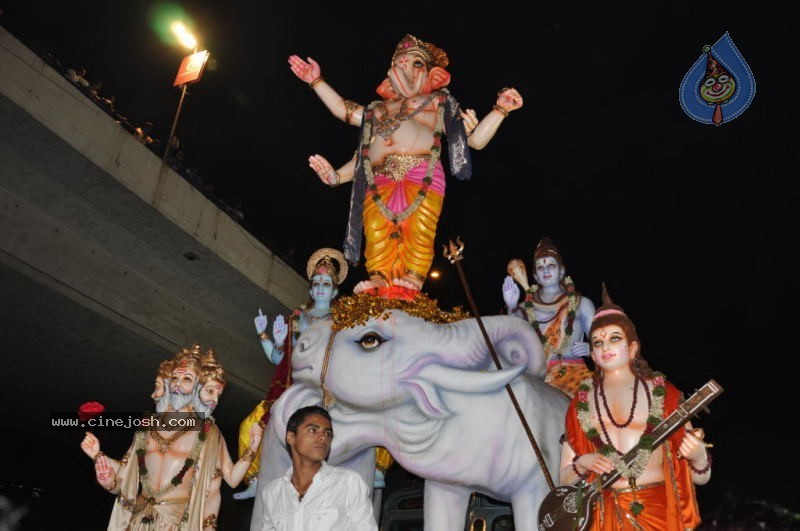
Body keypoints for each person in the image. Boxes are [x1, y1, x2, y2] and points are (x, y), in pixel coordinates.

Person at [289, 34, 523, 293]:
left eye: (417, 63)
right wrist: (316, 82)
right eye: (401, 62)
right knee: (377, 230)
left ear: (432, 75)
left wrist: (500, 110)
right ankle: (378, 276)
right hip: (378, 180)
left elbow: (475, 141)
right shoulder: (377, 111)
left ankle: (413, 276)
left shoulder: (436, 103)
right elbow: (347, 121)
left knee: (418, 229)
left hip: (421, 173)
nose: (407, 68)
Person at [559, 286, 711, 530]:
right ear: (593, 356)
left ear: (632, 347)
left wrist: (699, 456)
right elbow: (563, 480)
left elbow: (700, 477)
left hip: (658, 513)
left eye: (614, 339)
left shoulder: (664, 394)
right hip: (603, 517)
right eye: (597, 343)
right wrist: (581, 463)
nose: (605, 347)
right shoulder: (581, 404)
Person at [81, 345, 263, 530]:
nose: (177, 384)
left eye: (186, 379)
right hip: (138, 522)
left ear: (197, 386)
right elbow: (124, 475)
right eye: (174, 378)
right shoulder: (147, 427)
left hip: (176, 524)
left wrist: (253, 447)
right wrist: (99, 458)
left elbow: (228, 481)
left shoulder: (208, 433)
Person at [236, 248, 349, 499]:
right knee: (250, 424)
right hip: (294, 385)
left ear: (335, 291)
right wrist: (266, 336)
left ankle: (375, 466)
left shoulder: (343, 322)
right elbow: (278, 358)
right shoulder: (296, 318)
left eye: (326, 284)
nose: (320, 288)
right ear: (310, 290)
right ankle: (255, 477)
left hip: (327, 383)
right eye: (316, 283)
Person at [254, 405, 377, 530]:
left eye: (327, 433)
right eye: (313, 430)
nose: (323, 437)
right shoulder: (272, 493)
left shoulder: (348, 483)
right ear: (291, 437)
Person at [502, 237, 596, 397]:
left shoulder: (581, 303)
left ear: (561, 271)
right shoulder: (525, 308)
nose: (545, 270)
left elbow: (602, 338)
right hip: (537, 376)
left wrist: (592, 349)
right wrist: (512, 306)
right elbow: (513, 337)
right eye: (540, 267)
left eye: (551, 265)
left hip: (575, 374)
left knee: (595, 403)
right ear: (536, 276)